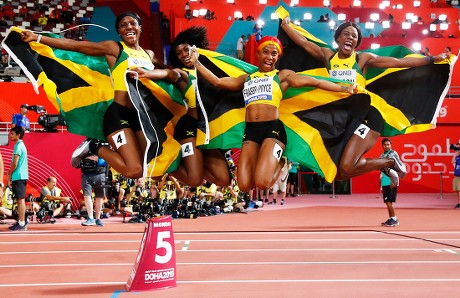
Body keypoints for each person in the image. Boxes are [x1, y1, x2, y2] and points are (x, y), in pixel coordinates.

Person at [280, 19, 447, 184]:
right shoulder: (328, 56)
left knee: (346, 167)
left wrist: (432, 60)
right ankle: (386, 164)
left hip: (367, 115)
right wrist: (286, 25)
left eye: (354, 36)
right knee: (338, 172)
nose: (350, 38)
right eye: (346, 34)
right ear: (338, 38)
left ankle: (390, 160)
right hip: (343, 118)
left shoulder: (362, 59)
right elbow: (304, 43)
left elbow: (399, 62)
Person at [21, 11, 181, 179]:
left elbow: (167, 71)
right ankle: (94, 147)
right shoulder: (115, 48)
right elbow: (76, 46)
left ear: (140, 27)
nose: (128, 27)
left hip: (142, 118)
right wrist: (37, 38)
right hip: (119, 115)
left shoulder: (149, 55)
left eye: (132, 23)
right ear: (118, 31)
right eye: (123, 25)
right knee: (134, 171)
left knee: (154, 166)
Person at [189, 36, 357, 192]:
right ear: (258, 53)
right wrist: (197, 62)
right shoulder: (246, 78)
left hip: (273, 130)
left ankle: (282, 161)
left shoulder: (282, 76)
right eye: (266, 52)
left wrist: (344, 88)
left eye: (274, 53)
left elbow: (316, 82)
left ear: (278, 57)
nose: (270, 57)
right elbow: (217, 81)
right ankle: (274, 161)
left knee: (262, 183)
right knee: (244, 185)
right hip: (251, 132)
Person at [168, 26, 230, 187]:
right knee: (194, 180)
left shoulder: (211, 70)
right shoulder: (181, 73)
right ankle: (163, 164)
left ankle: (192, 163)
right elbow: (167, 73)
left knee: (224, 179)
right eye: (178, 53)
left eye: (186, 49)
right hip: (188, 128)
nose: (183, 55)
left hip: (207, 131)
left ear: (196, 48)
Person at [77, 154, 109, 227]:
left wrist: (99, 157)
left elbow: (107, 158)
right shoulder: (84, 147)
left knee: (99, 197)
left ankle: (97, 219)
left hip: (100, 173)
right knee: (87, 195)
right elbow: (76, 160)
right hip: (86, 174)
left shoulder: (103, 147)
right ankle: (91, 218)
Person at [7, 126, 28, 231]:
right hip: (20, 176)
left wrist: (10, 174)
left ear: (18, 135)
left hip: (18, 176)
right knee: (20, 200)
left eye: (12, 133)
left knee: (20, 200)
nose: (10, 135)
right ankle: (22, 221)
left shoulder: (18, 146)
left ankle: (22, 223)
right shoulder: (20, 145)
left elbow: (15, 163)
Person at [380, 138, 400, 227]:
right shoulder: (381, 156)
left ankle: (394, 219)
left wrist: (394, 181)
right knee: (387, 201)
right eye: (385, 145)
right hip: (385, 181)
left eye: (388, 144)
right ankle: (391, 218)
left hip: (391, 181)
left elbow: (397, 167)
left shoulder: (393, 154)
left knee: (388, 201)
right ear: (382, 146)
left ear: (390, 145)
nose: (387, 146)